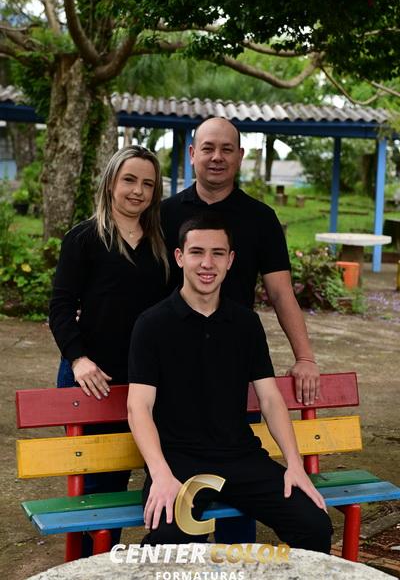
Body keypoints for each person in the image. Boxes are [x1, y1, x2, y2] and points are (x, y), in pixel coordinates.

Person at [127, 213, 332, 551]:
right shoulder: (152, 324)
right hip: (180, 461)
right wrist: (161, 473)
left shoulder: (246, 324)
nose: (207, 263)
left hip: (241, 458)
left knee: (314, 525)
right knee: (171, 541)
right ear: (179, 257)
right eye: (197, 252)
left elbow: (270, 399)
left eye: (218, 253)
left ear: (230, 260)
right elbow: (138, 407)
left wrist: (294, 465)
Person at [49, 145, 169, 555]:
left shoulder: (161, 244)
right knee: (95, 486)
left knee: (131, 477)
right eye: (129, 180)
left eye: (147, 184)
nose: (137, 191)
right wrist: (78, 359)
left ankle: (121, 559)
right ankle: (88, 564)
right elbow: (60, 307)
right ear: (110, 183)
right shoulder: (84, 238)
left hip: (144, 379)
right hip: (93, 379)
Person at [161, 117, 319, 407]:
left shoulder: (261, 219)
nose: (217, 157)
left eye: (227, 149)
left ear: (240, 156)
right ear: (192, 153)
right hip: (170, 353)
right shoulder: (162, 215)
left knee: (237, 433)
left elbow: (281, 292)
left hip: (236, 354)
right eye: (208, 148)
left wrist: (305, 358)